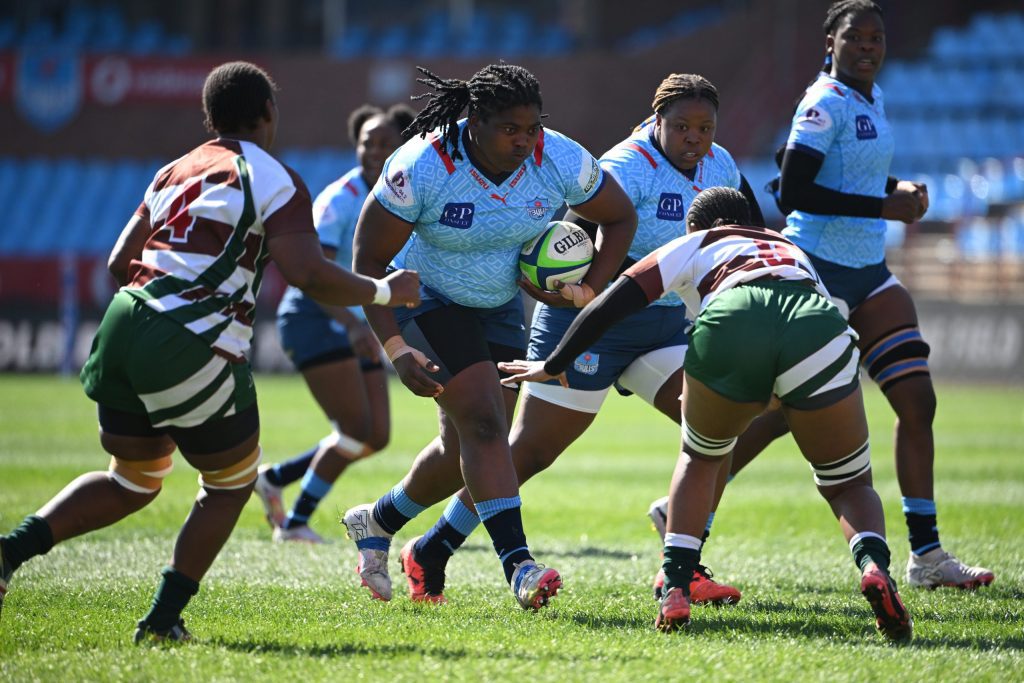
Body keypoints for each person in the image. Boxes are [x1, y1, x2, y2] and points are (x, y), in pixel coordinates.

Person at [0, 61, 420, 642]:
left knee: (133, 480)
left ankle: (9, 551)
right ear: (268, 112)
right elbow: (308, 273)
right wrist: (385, 291)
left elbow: (120, 262)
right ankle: (162, 620)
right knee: (228, 485)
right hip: (190, 336)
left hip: (121, 324)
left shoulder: (173, 170)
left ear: (209, 117)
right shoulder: (275, 178)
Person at [398, 73, 766, 605]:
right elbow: (572, 230)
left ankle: (682, 565)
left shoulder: (721, 165)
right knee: (529, 452)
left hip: (665, 326)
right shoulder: (627, 165)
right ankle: (432, 549)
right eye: (682, 126)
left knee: (718, 424)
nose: (694, 137)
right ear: (656, 120)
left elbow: (749, 228)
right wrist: (582, 290)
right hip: (592, 324)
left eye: (705, 127)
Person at [672, 0, 993, 591]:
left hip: (870, 271)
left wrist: (897, 189)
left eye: (876, 37)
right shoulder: (823, 102)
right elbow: (793, 190)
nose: (868, 46)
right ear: (831, 44)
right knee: (777, 414)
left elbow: (839, 173)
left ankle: (927, 556)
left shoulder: (872, 98)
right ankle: (688, 517)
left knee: (917, 401)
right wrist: (886, 206)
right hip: (816, 270)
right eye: (855, 37)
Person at [501, 186, 913, 641]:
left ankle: (676, 587)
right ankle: (874, 568)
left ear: (697, 225)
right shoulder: (788, 246)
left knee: (701, 456)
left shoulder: (697, 241)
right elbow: (806, 314)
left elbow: (613, 302)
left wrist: (554, 363)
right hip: (818, 325)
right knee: (849, 483)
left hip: (734, 316)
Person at [342, 62, 638, 610]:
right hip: (424, 298)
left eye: (532, 128)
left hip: (499, 307)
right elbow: (368, 259)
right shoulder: (423, 164)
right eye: (510, 129)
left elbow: (619, 217)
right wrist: (396, 349)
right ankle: (519, 566)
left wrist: (588, 289)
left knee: (464, 447)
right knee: (485, 424)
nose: (524, 141)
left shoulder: (559, 156)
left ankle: (376, 520)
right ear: (474, 121)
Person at [253, 103, 416, 544]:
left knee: (376, 436)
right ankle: (295, 523)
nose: (375, 151)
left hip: (357, 323)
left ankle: (275, 478)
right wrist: (353, 325)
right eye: (367, 143)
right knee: (354, 431)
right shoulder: (340, 199)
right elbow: (313, 277)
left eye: (385, 143)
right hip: (315, 318)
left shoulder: (401, 196)